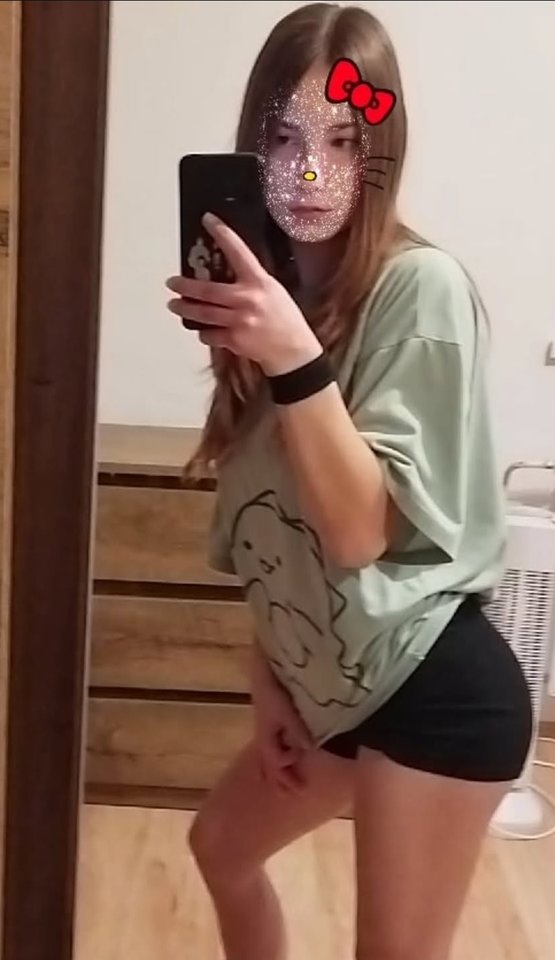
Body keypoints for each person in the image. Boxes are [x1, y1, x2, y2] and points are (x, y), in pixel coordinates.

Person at [165, 4, 533, 959]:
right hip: (331, 688)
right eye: (284, 138)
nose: (310, 173)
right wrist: (268, 680)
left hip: (433, 689)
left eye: (342, 141)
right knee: (220, 850)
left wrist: (294, 359)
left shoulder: (418, 288)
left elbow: (358, 534)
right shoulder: (271, 305)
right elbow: (271, 535)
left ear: (381, 152)